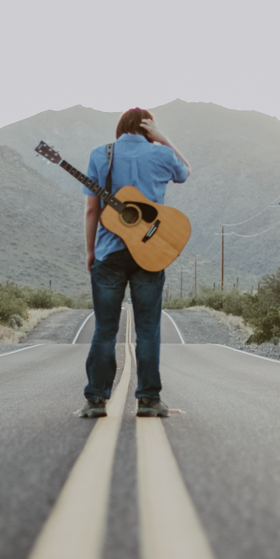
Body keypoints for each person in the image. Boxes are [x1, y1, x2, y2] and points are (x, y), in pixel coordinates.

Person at [80, 108, 190, 418]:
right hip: (151, 252)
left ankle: (96, 400)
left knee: (104, 329)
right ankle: (149, 400)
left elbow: (91, 210)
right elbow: (185, 171)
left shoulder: (101, 155)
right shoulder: (161, 154)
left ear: (120, 128)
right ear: (148, 129)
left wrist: (91, 252)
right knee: (148, 329)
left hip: (109, 253)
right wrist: (164, 139)